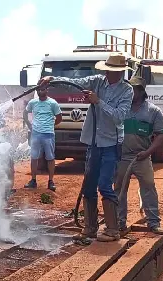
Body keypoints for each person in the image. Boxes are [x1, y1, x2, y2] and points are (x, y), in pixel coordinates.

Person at [39, 52, 133, 243]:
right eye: (107, 71)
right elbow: (76, 82)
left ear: (120, 72)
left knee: (105, 185)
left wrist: (99, 102)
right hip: (93, 142)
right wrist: (53, 79)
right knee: (88, 186)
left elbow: (119, 116)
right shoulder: (98, 81)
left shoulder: (126, 91)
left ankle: (113, 229)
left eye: (112, 71)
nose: (108, 74)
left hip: (110, 143)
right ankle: (90, 227)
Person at [115, 76, 163, 236]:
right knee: (119, 190)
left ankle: (153, 223)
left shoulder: (153, 111)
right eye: (130, 89)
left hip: (142, 157)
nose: (132, 92)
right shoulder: (121, 109)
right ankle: (118, 222)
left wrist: (148, 152)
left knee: (148, 187)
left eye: (135, 89)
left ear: (142, 91)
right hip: (122, 157)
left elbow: (161, 135)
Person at [23, 86, 62, 191]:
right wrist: (29, 125)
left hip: (48, 134)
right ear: (37, 91)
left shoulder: (53, 103)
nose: (41, 91)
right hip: (35, 134)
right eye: (39, 90)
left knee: (50, 158)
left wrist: (50, 126)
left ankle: (51, 181)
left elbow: (59, 118)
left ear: (47, 90)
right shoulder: (33, 103)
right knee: (34, 157)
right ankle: (33, 180)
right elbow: (25, 113)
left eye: (43, 89)